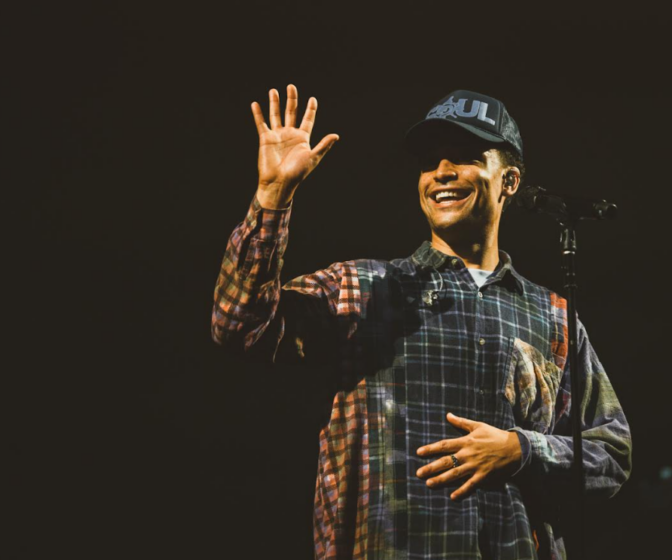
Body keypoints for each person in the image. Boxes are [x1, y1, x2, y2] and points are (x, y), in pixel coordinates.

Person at [211, 85, 631, 560]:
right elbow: (238, 323)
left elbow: (611, 454)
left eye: (466, 156)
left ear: (509, 181)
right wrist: (272, 196)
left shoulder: (553, 314)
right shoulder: (362, 286)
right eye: (431, 161)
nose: (441, 173)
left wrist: (522, 450)